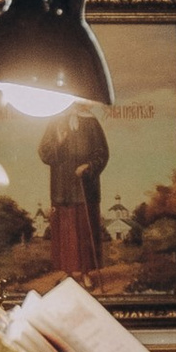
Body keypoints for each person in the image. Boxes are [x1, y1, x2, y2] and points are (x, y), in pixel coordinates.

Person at [35, 100, 110, 280]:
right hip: (62, 188)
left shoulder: (91, 122)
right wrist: (59, 142)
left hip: (86, 187)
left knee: (85, 231)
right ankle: (67, 275)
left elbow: (102, 153)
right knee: (66, 233)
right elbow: (44, 153)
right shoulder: (55, 120)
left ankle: (85, 274)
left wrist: (88, 166)